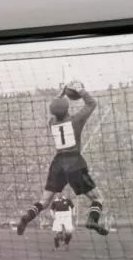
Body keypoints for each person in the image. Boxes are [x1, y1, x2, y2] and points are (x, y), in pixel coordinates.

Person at [16, 80, 109, 237]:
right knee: (98, 198)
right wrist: (80, 91)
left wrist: (61, 93)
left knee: (44, 201)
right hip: (73, 162)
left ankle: (27, 216)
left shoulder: (52, 122)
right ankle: (93, 220)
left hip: (58, 163)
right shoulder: (75, 121)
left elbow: (55, 107)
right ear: (66, 108)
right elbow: (91, 104)